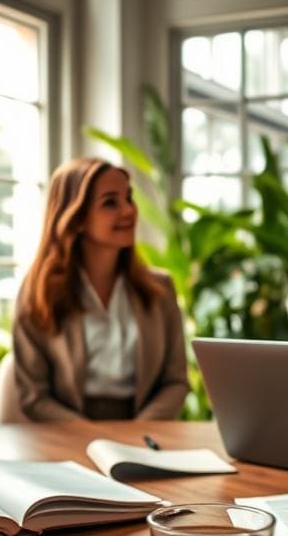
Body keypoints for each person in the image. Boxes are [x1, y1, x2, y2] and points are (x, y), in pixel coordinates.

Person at [13, 157, 188, 421]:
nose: (128, 210)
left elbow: (175, 382)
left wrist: (138, 431)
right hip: (68, 434)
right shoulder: (38, 293)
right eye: (110, 202)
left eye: (128, 198)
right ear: (76, 219)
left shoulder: (160, 289)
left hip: (146, 432)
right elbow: (33, 396)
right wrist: (91, 434)